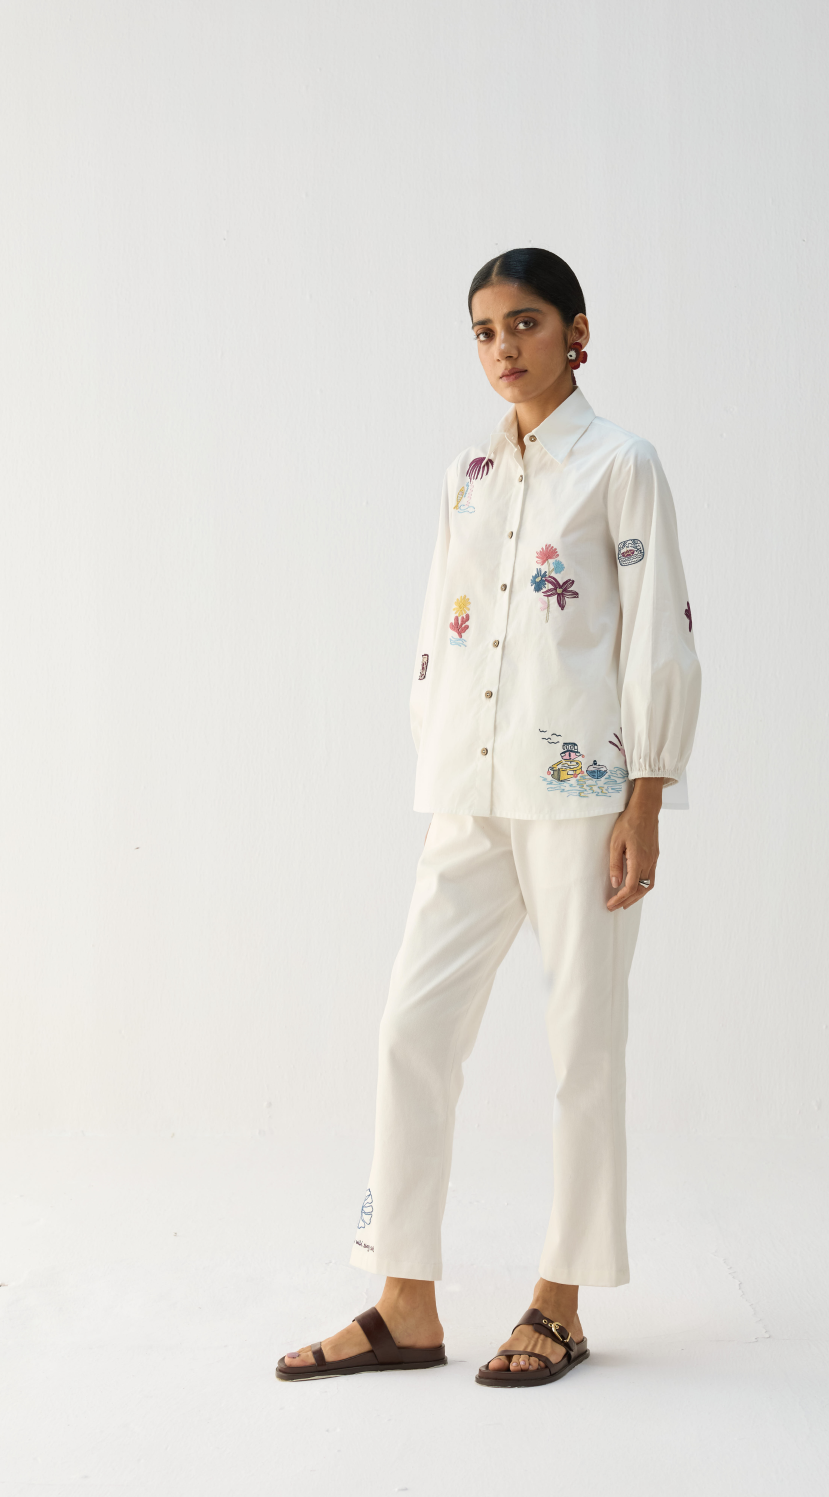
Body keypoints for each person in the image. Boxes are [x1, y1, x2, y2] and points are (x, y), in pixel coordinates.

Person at [277, 247, 702, 1387]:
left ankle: (558, 1302)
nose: (503, 347)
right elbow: (442, 623)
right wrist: (439, 764)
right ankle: (404, 1303)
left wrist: (647, 796)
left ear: (577, 332)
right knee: (412, 1029)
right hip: (471, 794)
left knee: (582, 1044)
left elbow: (657, 632)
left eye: (524, 323)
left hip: (585, 799)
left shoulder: (621, 464)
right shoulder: (467, 472)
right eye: (483, 330)